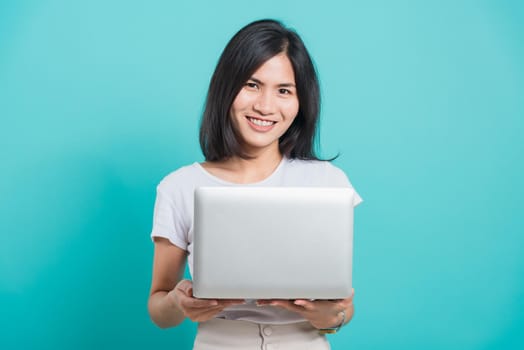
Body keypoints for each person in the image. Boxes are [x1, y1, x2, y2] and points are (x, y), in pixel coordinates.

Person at [148, 19, 362, 350]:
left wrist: (330, 318)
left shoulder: (328, 182)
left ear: (301, 101)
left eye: (284, 91)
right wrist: (178, 302)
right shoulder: (179, 186)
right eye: (251, 84)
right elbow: (159, 310)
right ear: (226, 87)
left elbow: (343, 307)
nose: (265, 106)